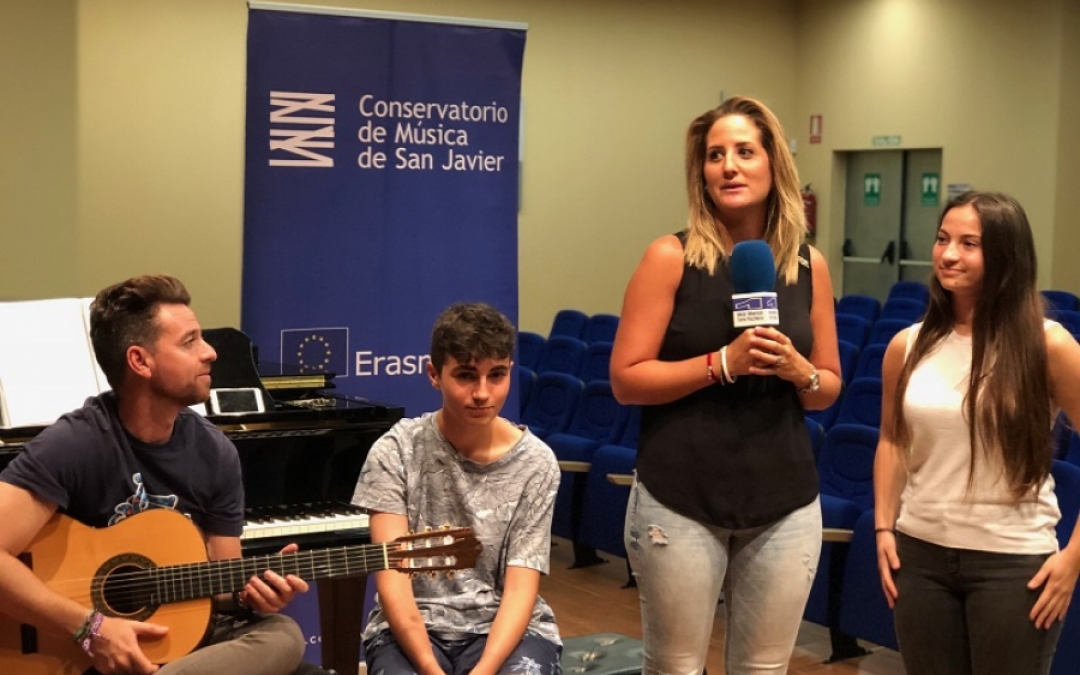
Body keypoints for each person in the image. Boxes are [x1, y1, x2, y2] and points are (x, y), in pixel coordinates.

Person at [609, 96, 842, 674]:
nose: (729, 167)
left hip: (784, 504)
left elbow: (827, 388)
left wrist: (800, 371)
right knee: (676, 667)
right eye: (715, 156)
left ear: (774, 164)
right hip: (681, 500)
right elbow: (626, 380)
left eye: (744, 152)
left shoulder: (809, 265)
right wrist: (721, 363)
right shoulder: (669, 257)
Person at [0, 275, 311, 675]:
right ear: (140, 361)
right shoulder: (74, 444)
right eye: (189, 342)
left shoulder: (214, 452)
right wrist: (90, 628)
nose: (210, 352)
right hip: (80, 651)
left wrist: (249, 596)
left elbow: (223, 588)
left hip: (178, 643)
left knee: (282, 633)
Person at [873, 191, 1080, 675]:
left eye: (969, 244)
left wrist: (1074, 557)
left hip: (1012, 565)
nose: (948, 254)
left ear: (1006, 255)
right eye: (943, 239)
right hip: (920, 557)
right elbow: (892, 440)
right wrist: (883, 525)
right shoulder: (907, 345)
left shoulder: (1047, 345)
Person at [351, 302, 562, 675]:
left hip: (506, 628)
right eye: (466, 375)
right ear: (434, 374)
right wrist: (430, 668)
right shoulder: (395, 450)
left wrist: (484, 670)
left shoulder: (537, 462)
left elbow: (520, 589)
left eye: (496, 375)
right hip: (415, 627)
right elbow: (394, 582)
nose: (482, 393)